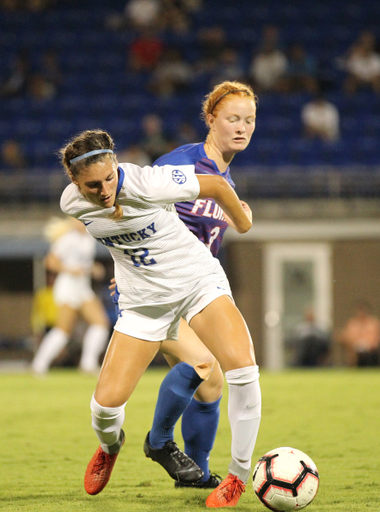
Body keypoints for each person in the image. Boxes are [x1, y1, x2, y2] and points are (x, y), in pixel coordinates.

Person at [59, 127, 260, 508]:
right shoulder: (71, 203)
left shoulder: (148, 181)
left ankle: (237, 476)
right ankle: (111, 446)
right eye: (91, 186)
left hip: (197, 281)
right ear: (74, 184)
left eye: (108, 178)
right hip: (143, 301)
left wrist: (243, 223)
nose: (103, 190)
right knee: (104, 410)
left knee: (241, 370)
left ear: (117, 165)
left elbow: (216, 186)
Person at [139, 80, 258, 491]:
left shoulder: (226, 178)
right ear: (211, 119)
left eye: (249, 120)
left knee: (210, 383)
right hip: (154, 289)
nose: (241, 128)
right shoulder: (181, 164)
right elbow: (133, 208)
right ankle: (157, 442)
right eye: (232, 119)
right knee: (204, 365)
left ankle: (196, 474)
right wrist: (125, 268)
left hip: (191, 291)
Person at [31, 216, 111, 374]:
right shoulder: (67, 239)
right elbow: (50, 262)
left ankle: (88, 363)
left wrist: (93, 268)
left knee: (101, 323)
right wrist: (70, 269)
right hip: (68, 286)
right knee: (63, 330)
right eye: (78, 220)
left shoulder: (88, 238)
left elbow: (83, 263)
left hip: (82, 286)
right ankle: (39, 365)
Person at [338, 300, 380, 367]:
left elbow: (376, 338)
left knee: (367, 354)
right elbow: (345, 336)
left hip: (370, 350)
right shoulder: (352, 323)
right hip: (355, 350)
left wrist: (369, 345)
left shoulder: (373, 323)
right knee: (354, 354)